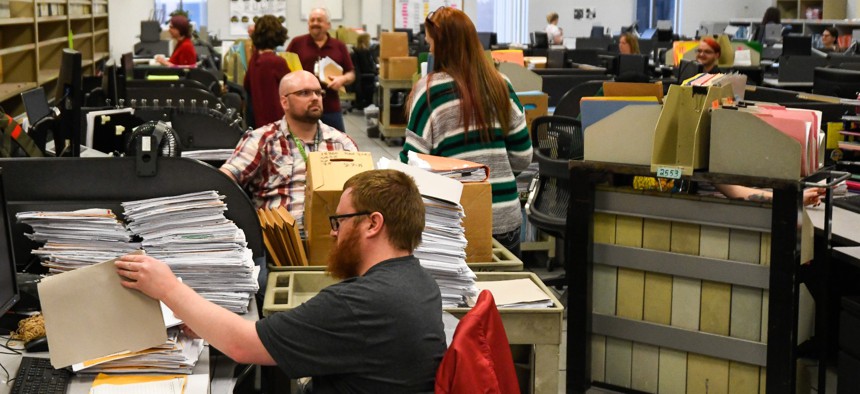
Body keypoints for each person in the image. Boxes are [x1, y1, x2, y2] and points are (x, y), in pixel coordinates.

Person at [115, 169, 447, 392]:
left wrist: (169, 288)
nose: (334, 233)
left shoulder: (363, 303)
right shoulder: (419, 282)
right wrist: (205, 321)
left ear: (373, 224)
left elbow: (243, 345)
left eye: (340, 221)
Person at [400, 7, 533, 257]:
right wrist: (491, 173)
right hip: (505, 217)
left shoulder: (429, 93)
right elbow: (524, 156)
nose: (429, 50)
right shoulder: (501, 85)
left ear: (443, 46)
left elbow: (412, 163)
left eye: (431, 43)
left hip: (454, 221)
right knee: (500, 294)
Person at [221, 70, 358, 220]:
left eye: (318, 93)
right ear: (284, 102)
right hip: (278, 238)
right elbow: (224, 179)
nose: (315, 98)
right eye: (305, 93)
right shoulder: (263, 139)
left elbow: (362, 194)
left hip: (329, 234)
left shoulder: (341, 143)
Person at [286, 7, 355, 133]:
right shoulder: (297, 43)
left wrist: (343, 79)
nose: (315, 23)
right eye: (312, 20)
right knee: (301, 145)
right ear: (308, 24)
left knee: (338, 145)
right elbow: (285, 71)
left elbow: (351, 73)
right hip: (302, 108)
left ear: (328, 25)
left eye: (319, 20)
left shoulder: (339, 46)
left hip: (330, 106)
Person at [245, 15, 290, 128]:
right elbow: (293, 89)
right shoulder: (277, 62)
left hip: (258, 119)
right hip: (277, 121)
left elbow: (247, 85)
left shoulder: (254, 59)